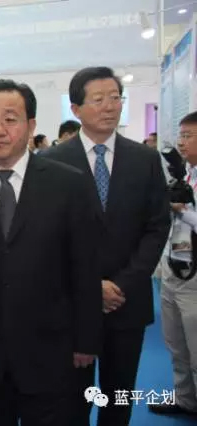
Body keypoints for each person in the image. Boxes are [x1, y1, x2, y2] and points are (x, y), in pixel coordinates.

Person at [0, 79, 102, 426]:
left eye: (10, 119)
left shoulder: (68, 184)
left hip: (53, 349)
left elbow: (85, 267)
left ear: (30, 125)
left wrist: (87, 338)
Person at [42, 66, 170, 426]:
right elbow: (46, 237)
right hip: (70, 304)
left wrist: (122, 284)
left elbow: (157, 227)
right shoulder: (51, 162)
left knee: (118, 398)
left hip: (127, 301)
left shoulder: (145, 159)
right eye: (98, 99)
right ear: (76, 108)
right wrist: (89, 286)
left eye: (115, 97)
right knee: (71, 401)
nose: (110, 106)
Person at [147, 111, 197, 418]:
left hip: (195, 277)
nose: (182, 142)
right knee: (176, 344)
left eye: (189, 136)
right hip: (174, 267)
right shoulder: (185, 175)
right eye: (181, 135)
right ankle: (186, 399)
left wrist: (182, 210)